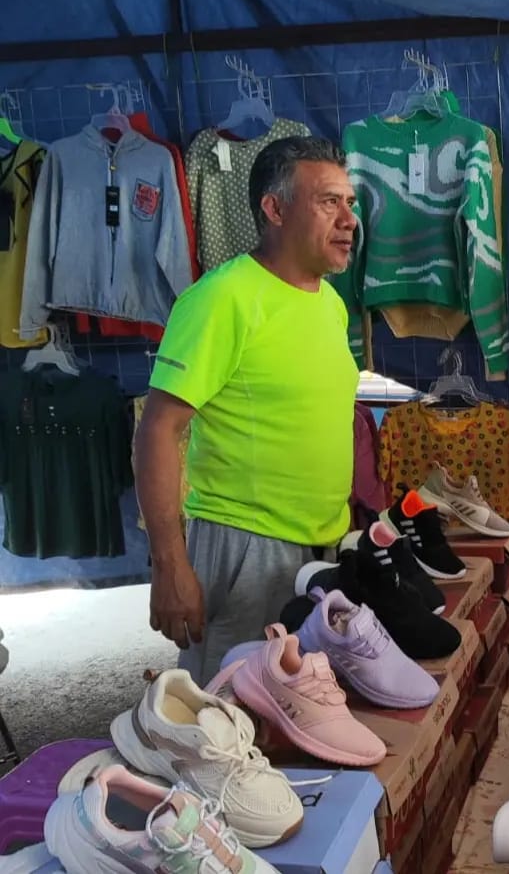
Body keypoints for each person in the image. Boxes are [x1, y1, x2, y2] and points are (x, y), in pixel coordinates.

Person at [135, 136, 360, 685]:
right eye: (329, 202)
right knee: (229, 722)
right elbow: (158, 429)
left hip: (319, 547)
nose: (349, 219)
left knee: (306, 713)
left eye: (350, 203)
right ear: (275, 209)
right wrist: (169, 562)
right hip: (244, 548)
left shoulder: (330, 303)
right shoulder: (221, 299)